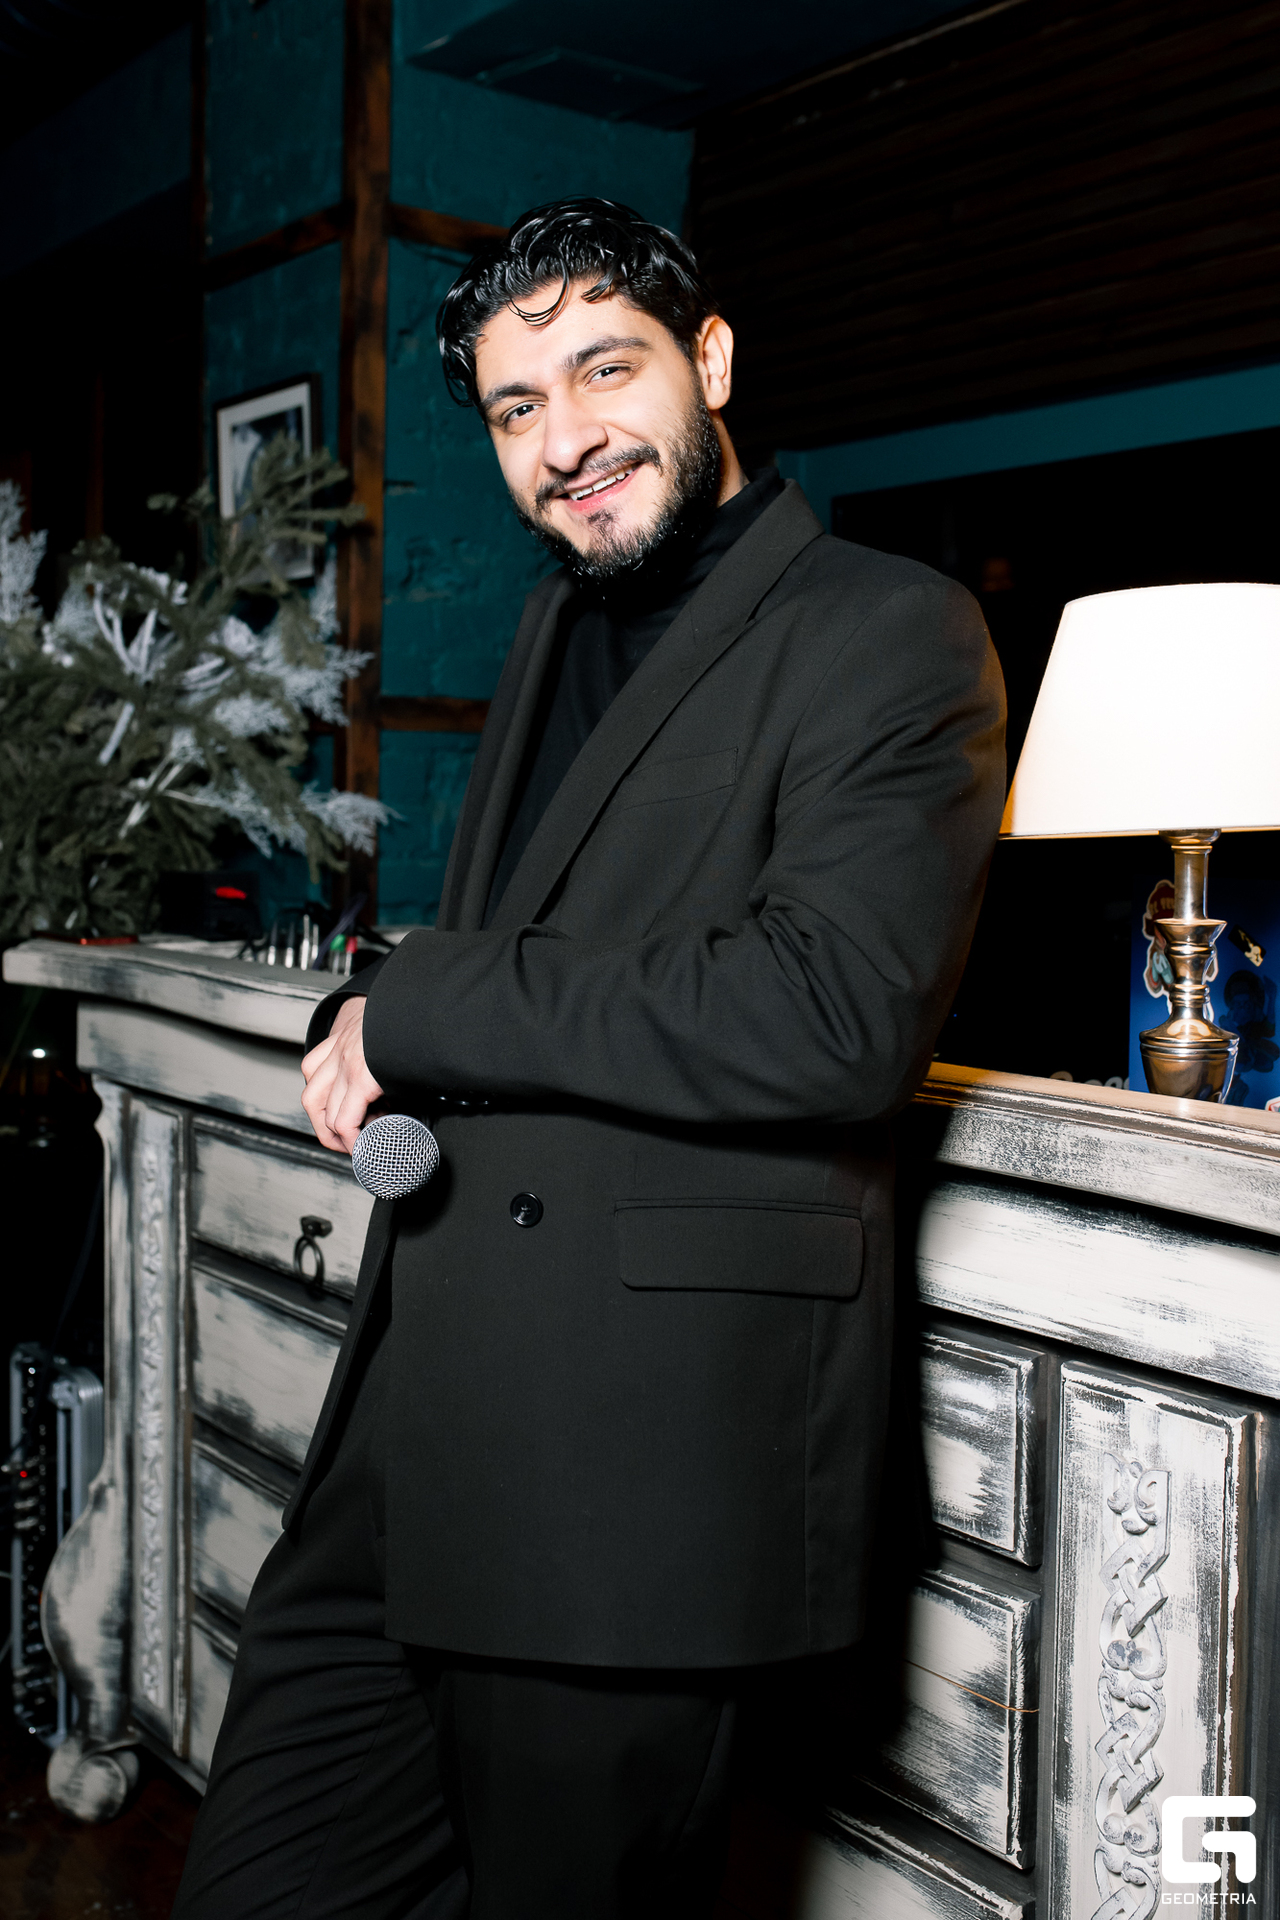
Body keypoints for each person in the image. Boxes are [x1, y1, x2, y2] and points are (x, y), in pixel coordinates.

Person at [172, 197, 1006, 1920]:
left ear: (711, 361)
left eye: (605, 371)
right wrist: (371, 1005)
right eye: (515, 407)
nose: (565, 440)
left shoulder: (891, 628)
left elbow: (831, 1010)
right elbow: (559, 934)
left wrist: (424, 1004)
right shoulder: (562, 624)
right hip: (412, 1436)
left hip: (637, 1481)